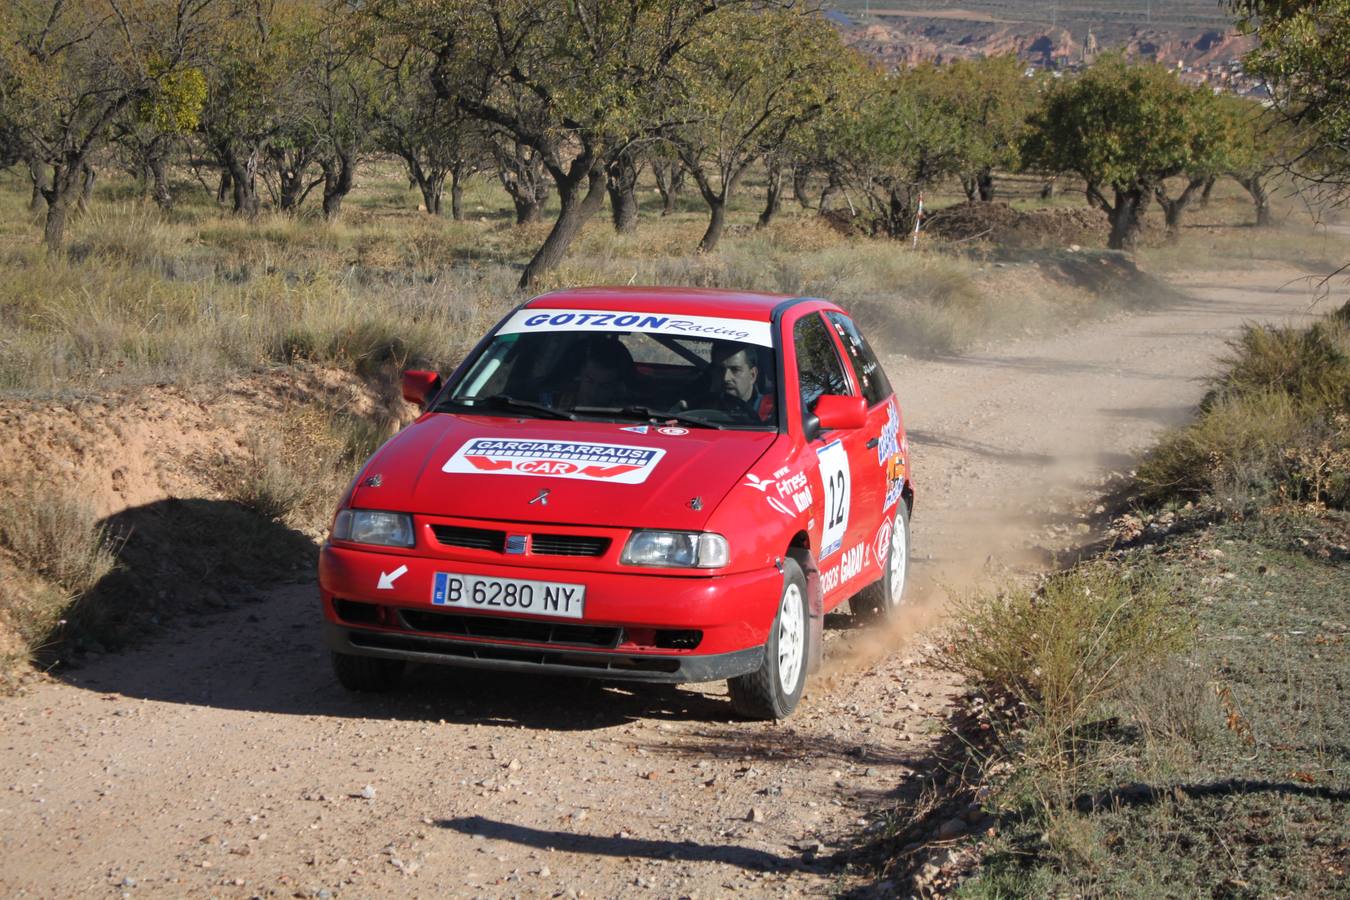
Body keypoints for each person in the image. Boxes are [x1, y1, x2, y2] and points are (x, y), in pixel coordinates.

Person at [705, 341, 774, 423]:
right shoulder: (703, 408)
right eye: (720, 370)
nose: (726, 378)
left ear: (752, 375)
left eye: (735, 369)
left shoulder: (772, 413)